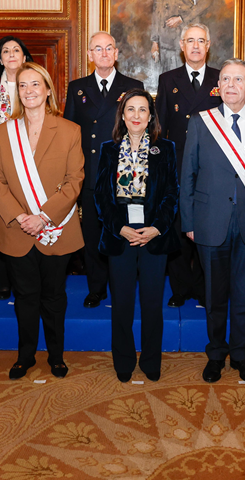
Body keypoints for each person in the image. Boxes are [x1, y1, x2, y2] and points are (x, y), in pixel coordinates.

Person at [181, 58, 245, 384]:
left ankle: (240, 355)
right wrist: (188, 221)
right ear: (218, 85)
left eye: (238, 79)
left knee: (242, 296)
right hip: (209, 222)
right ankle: (215, 355)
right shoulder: (201, 122)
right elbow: (187, 176)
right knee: (214, 297)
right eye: (225, 79)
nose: (230, 85)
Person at [0, 62, 84, 380]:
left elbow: (74, 181)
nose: (29, 91)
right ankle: (25, 356)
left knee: (54, 297)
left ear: (47, 90)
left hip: (56, 229)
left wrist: (43, 217)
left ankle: (56, 356)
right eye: (23, 86)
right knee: (25, 297)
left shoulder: (70, 130)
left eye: (35, 85)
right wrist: (20, 216)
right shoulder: (5, 131)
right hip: (17, 230)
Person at [95, 88, 179, 383]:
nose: (136, 115)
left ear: (151, 116)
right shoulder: (109, 148)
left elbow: (172, 194)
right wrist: (119, 227)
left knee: (153, 303)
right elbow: (101, 196)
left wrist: (156, 227)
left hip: (154, 235)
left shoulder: (165, 148)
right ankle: (124, 359)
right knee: (122, 303)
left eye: (143, 110)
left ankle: (151, 360)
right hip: (120, 235)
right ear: (122, 114)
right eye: (131, 109)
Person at [64, 32, 143, 308]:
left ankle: (121, 286)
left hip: (123, 173)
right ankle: (96, 288)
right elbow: (69, 133)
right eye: (98, 49)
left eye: (109, 48)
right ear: (90, 55)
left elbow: (140, 127)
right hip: (90, 174)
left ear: (117, 53)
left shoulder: (133, 85)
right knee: (94, 233)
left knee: (122, 230)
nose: (104, 53)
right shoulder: (78, 88)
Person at [155, 23, 221, 308]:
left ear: (208, 46)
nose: (195, 46)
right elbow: (160, 127)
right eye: (189, 41)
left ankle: (206, 288)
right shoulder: (168, 79)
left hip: (213, 166)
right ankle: (180, 288)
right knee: (180, 229)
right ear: (181, 46)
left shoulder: (222, 79)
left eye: (201, 41)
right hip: (180, 164)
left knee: (208, 229)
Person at [0, 36, 35, 300]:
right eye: (5, 51)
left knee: (27, 219)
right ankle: (2, 280)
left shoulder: (35, 84)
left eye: (16, 50)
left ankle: (25, 276)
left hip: (29, 165)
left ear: (24, 56)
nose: (11, 54)